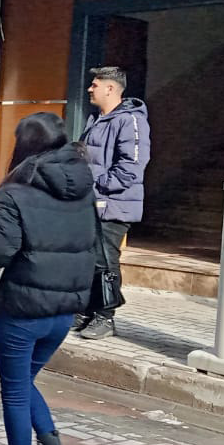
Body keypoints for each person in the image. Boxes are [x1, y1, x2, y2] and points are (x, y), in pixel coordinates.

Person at [0, 113, 97, 445]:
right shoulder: (83, 189)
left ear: (23, 146)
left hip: (23, 309)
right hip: (65, 310)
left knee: (14, 388)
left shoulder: (14, 193)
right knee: (24, 381)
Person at [75, 66, 151, 340]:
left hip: (114, 205)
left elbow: (131, 168)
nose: (89, 88)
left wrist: (97, 187)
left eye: (95, 84)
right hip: (91, 203)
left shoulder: (130, 120)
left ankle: (105, 316)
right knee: (87, 259)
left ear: (110, 88)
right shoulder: (96, 119)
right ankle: (86, 310)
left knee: (105, 261)